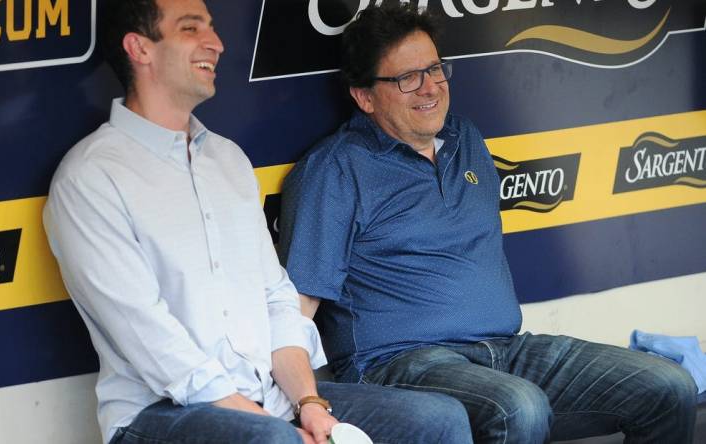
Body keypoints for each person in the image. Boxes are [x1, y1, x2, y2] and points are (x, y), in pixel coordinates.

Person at [43, 1, 473, 443]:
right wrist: (269, 422)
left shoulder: (226, 159)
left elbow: (276, 300)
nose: (216, 42)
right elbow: (151, 342)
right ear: (140, 48)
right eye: (191, 29)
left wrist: (309, 405)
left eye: (212, 27)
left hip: (270, 398)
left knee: (439, 419)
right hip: (159, 413)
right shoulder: (91, 177)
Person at [279, 5, 698, 444]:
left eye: (435, 69)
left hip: (505, 349)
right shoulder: (333, 170)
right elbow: (297, 308)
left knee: (669, 386)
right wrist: (304, 401)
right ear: (364, 96)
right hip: (398, 364)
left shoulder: (467, 140)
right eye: (407, 78)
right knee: (518, 407)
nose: (430, 88)